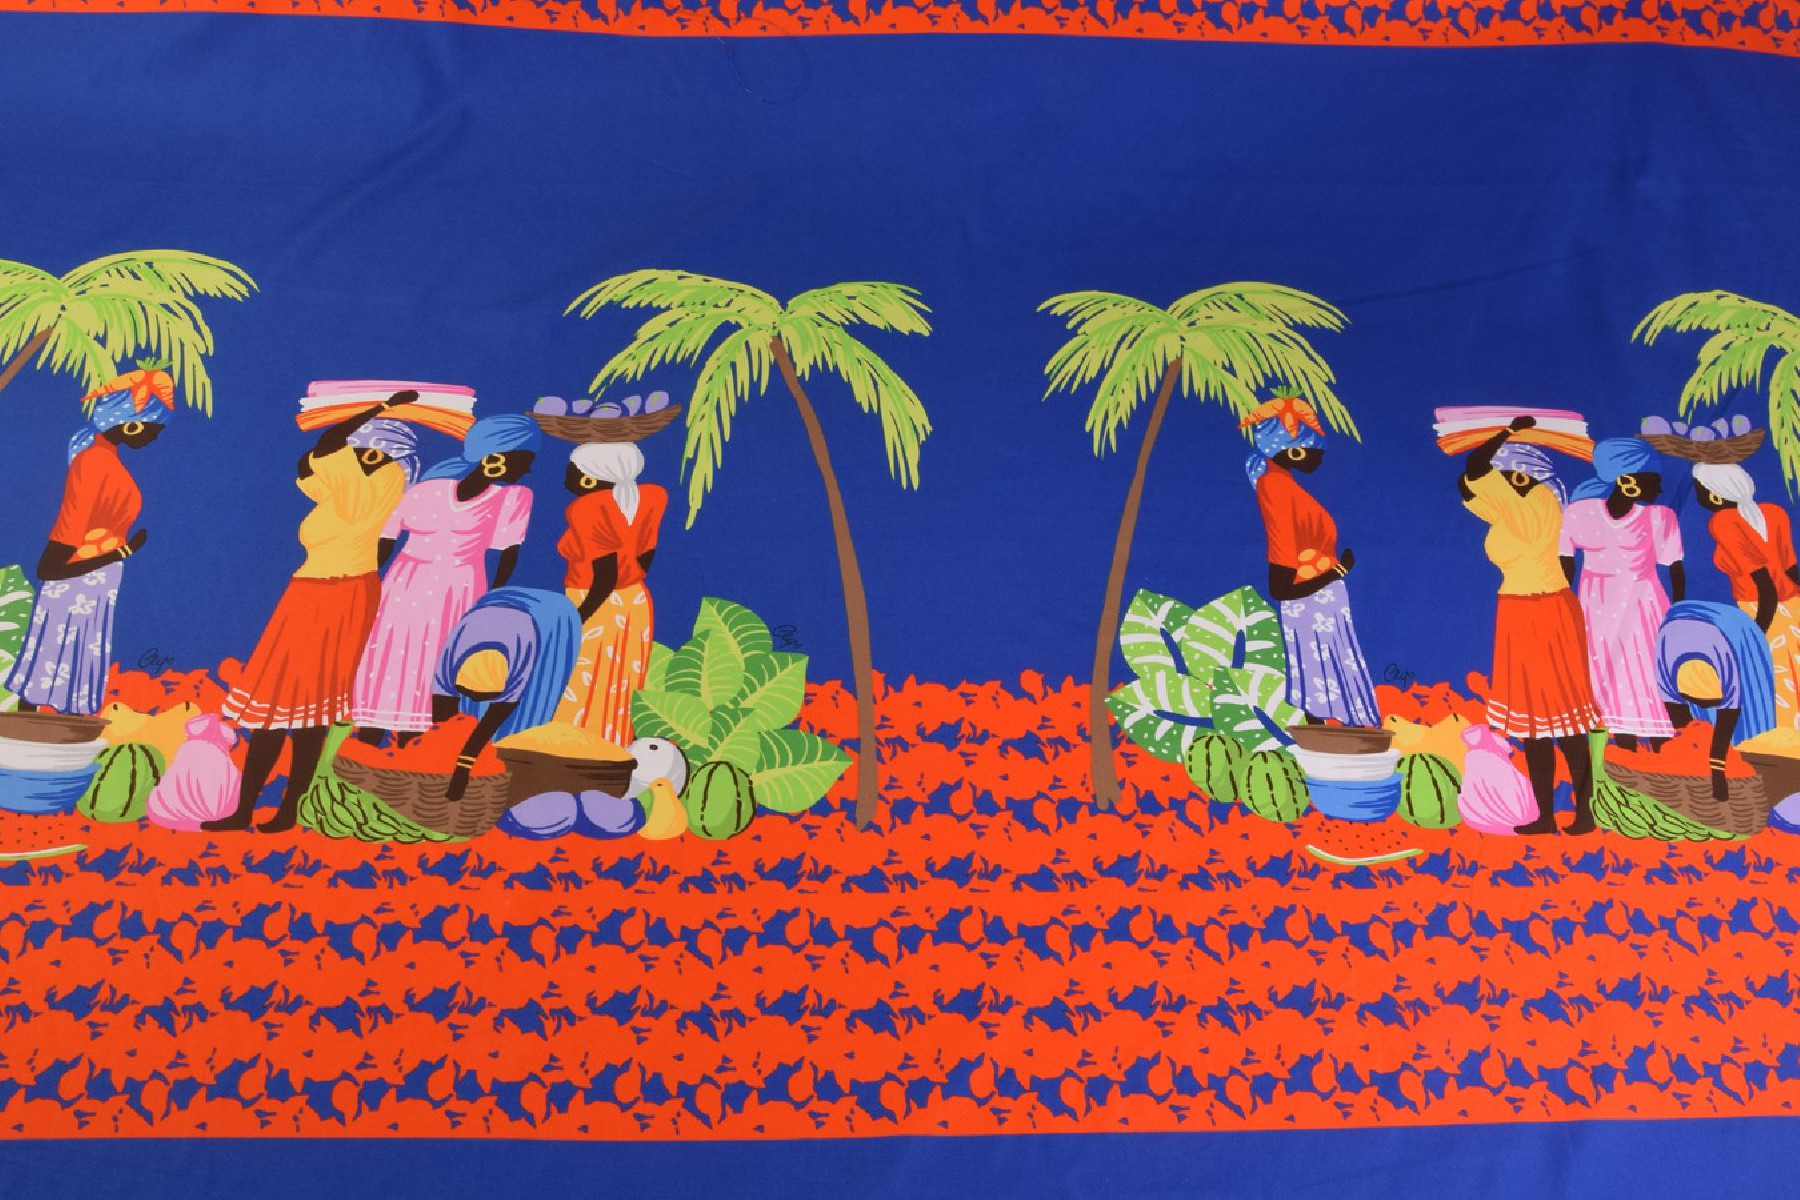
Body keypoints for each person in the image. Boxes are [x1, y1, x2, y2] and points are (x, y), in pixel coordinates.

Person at [207, 392, 419, 833]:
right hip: (309, 592)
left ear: (384, 456)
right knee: (275, 707)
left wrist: (379, 407)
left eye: (371, 450)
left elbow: (325, 446)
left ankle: (287, 811)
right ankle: (245, 810)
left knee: (310, 711)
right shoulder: (347, 489)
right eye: (361, 449)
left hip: (339, 594)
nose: (362, 455)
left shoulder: (380, 484)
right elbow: (310, 466)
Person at [351, 414, 539, 744]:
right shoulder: (428, 490)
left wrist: (490, 604)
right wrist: (363, 582)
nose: (528, 470)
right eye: (524, 461)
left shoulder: (512, 498)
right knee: (393, 662)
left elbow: (507, 556)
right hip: (404, 588)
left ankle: (418, 752)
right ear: (495, 459)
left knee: (437, 669)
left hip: (457, 593)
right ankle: (368, 746)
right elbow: (387, 538)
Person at [1460, 416, 1599, 835]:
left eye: (1505, 474)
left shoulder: (1533, 503)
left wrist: (1506, 432)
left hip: (1542, 611)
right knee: (1535, 725)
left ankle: (1584, 813)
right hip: (1523, 611)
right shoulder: (1514, 507)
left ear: (1520, 476)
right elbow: (1468, 486)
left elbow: (1474, 470)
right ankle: (1547, 815)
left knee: (1562, 720)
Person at [5, 379, 171, 714]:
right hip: (79, 573)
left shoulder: (105, 460)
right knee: (54, 652)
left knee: (75, 654)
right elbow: (71, 528)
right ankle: (30, 728)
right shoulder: (94, 462)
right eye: (154, 429)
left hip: (96, 576)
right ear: (133, 424)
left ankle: (63, 729)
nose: (155, 437)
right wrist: (121, 552)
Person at [1242, 396, 1380, 727]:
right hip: (1310, 596)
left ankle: (1334, 737)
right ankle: (1326, 739)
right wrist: (1336, 572)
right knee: (1320, 676)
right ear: (1295, 452)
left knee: (1328, 674)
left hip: (1319, 595)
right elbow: (1282, 579)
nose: (1321, 459)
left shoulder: (1284, 485)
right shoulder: (1275, 487)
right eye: (1317, 451)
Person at [1559, 437, 1685, 749]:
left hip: (1646, 609)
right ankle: (1626, 757)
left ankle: (1666, 756)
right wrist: (1563, 608)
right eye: (1652, 480)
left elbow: (1676, 571)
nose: (1659, 489)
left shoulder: (1660, 518)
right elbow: (1565, 562)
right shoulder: (1579, 513)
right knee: (1607, 680)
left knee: (1649, 678)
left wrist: (1677, 615)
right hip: (1594, 609)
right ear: (1627, 481)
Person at [551, 443, 667, 744]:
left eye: (571, 470)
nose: (566, 476)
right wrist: (628, 581)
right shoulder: (650, 497)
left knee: (579, 681)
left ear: (588, 478)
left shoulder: (587, 508)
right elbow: (645, 556)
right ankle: (612, 745)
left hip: (594, 600)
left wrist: (576, 619)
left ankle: (571, 747)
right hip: (634, 600)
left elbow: (605, 577)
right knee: (619, 684)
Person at [431, 587, 580, 803]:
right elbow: (443, 725)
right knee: (456, 731)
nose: (476, 700)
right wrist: (444, 760)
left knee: (526, 710)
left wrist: (464, 764)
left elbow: (494, 718)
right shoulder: (448, 666)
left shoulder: (521, 656)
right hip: (489, 611)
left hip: (548, 617)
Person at [1691, 462, 1800, 730]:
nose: (1697, 496)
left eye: (1699, 490)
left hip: (1762, 609)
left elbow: (1765, 585)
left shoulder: (1723, 521)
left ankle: (1784, 742)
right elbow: (1790, 569)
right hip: (1794, 605)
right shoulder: (1774, 512)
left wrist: (1755, 633)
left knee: (1775, 680)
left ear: (1715, 495)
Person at [1656, 600, 1778, 804]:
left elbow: (1727, 717)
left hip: (1732, 629)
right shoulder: (1666, 668)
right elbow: (1682, 728)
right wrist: (1690, 756)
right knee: (1691, 734)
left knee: (1723, 727)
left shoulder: (1731, 671)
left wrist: (1717, 771)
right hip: (1680, 630)